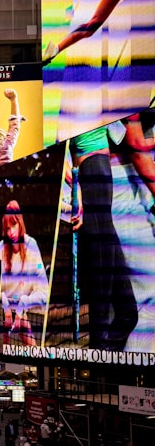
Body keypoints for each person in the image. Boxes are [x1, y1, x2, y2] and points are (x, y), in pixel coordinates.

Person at [70, 126, 139, 350]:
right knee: (101, 318)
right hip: (90, 168)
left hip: (98, 166)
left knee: (128, 314)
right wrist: (76, 185)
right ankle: (99, 350)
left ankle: (102, 350)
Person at [0, 203, 49, 346]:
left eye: (14, 225)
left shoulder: (32, 246)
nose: (11, 232)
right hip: (0, 310)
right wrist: (5, 305)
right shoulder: (1, 248)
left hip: (20, 309)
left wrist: (22, 305)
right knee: (1, 350)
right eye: (7, 228)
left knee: (34, 351)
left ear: (20, 222)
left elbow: (44, 293)